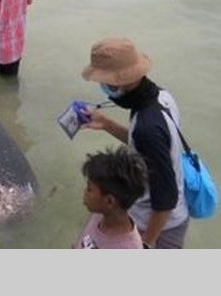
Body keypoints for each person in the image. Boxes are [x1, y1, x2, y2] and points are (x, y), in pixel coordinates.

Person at [80, 37, 190, 249]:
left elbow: (166, 198)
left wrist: (146, 244)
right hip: (170, 214)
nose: (102, 86)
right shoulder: (160, 97)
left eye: (104, 82)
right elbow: (146, 145)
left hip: (159, 225)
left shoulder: (147, 128)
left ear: (118, 82)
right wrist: (107, 124)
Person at [73, 146, 148, 249]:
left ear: (109, 201)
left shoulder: (129, 247)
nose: (85, 191)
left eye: (89, 189)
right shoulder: (98, 215)